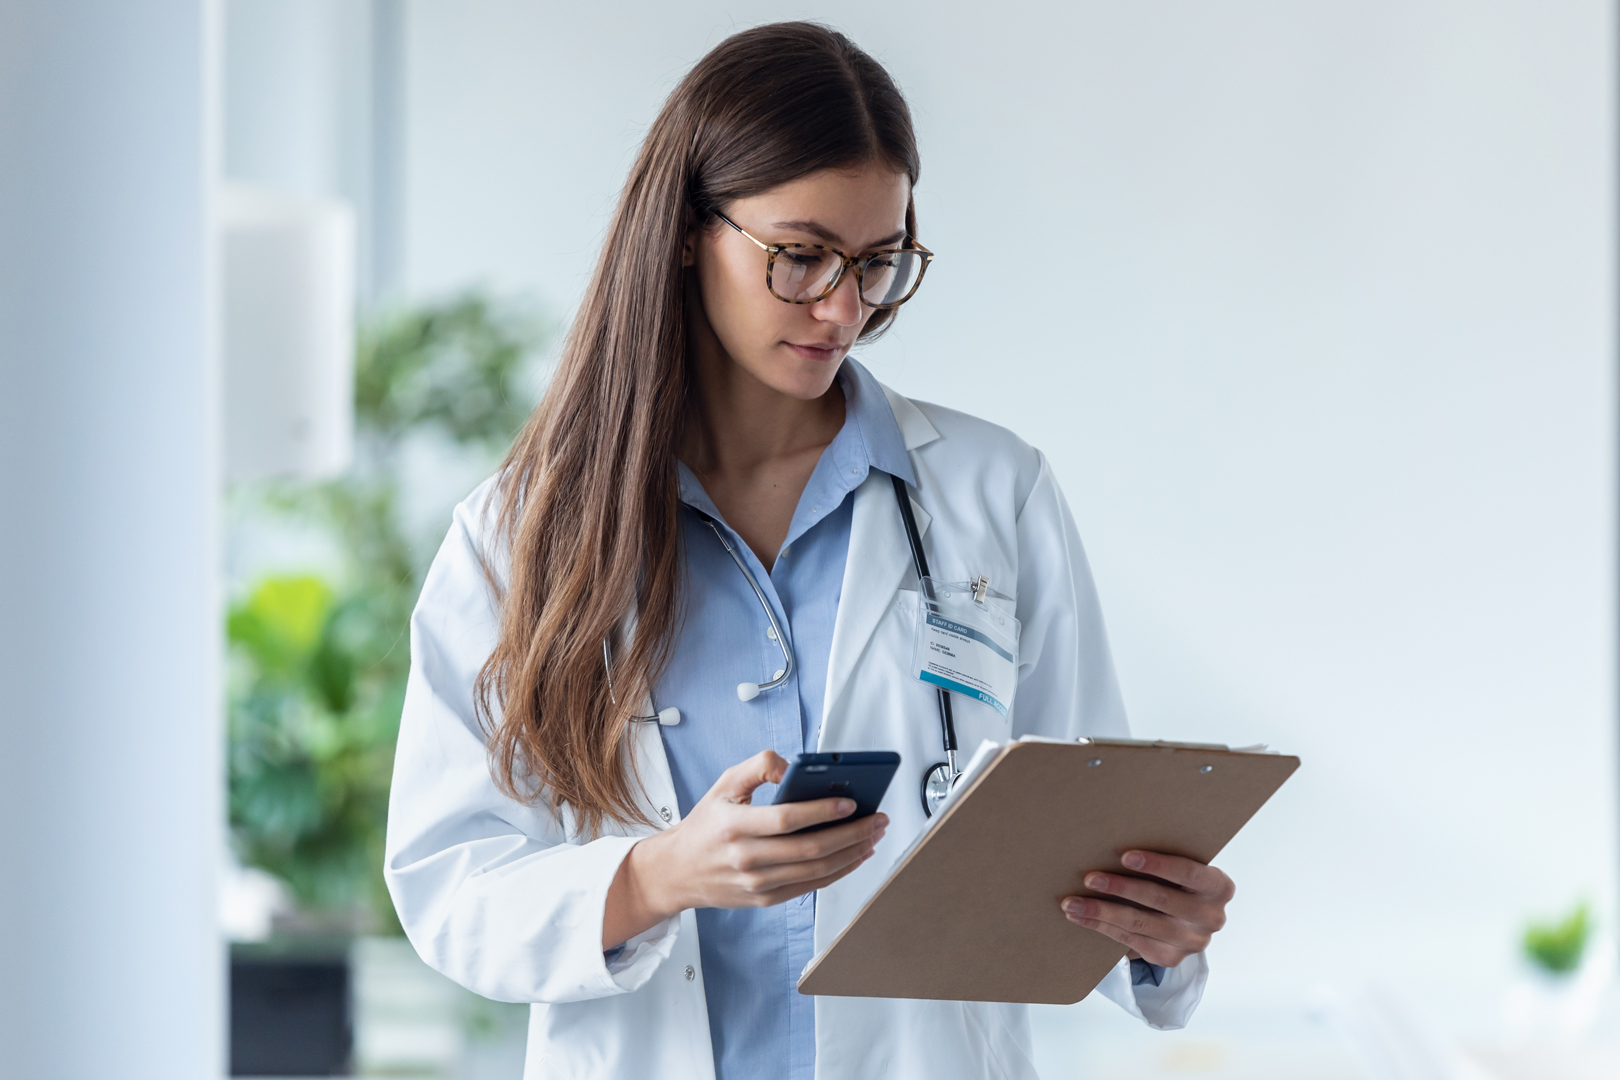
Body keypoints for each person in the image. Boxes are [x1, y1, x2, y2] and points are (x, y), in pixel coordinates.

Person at [384, 21, 1235, 1080]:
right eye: (801, 257)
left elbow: (1074, 828)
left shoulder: (989, 491)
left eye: (879, 262)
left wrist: (1154, 933)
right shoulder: (520, 535)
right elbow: (448, 885)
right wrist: (659, 876)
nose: (845, 307)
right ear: (692, 228)